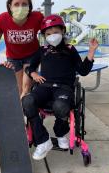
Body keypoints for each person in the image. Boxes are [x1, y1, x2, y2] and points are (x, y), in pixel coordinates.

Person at [21, 14, 99, 160]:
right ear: (44, 36)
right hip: (44, 86)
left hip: (64, 87)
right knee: (27, 101)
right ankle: (43, 140)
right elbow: (30, 67)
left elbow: (82, 70)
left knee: (61, 107)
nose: (52, 36)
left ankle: (60, 132)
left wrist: (91, 52)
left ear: (62, 32)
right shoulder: (42, 50)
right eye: (48, 34)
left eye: (55, 32)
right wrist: (33, 74)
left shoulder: (70, 49)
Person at [0, 0, 44, 97]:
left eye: (24, 4)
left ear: (29, 6)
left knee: (26, 87)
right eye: (16, 4)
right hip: (13, 58)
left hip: (32, 56)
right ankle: (24, 106)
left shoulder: (37, 17)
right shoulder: (2, 19)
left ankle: (26, 108)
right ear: (10, 6)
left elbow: (48, 32)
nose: (20, 7)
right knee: (19, 89)